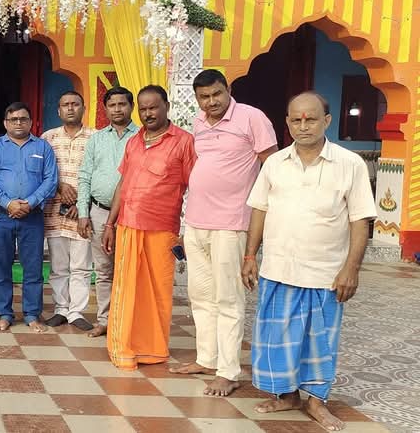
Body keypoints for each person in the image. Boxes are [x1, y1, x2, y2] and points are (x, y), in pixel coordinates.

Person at [243, 92, 375, 431]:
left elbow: (360, 220)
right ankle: (286, 396)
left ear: (326, 121)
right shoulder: (275, 163)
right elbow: (259, 210)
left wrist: (351, 269)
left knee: (320, 342)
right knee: (277, 337)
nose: (303, 126)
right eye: (296, 120)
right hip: (278, 269)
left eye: (311, 119)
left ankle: (317, 402)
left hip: (325, 273)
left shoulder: (350, 164)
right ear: (287, 123)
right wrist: (250, 255)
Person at [169, 69, 278, 396]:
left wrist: (267, 221)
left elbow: (272, 168)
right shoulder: (199, 123)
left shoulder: (252, 118)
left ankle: (229, 371)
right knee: (200, 295)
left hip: (231, 223)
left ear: (228, 89)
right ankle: (207, 358)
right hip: (196, 223)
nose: (211, 102)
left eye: (217, 94)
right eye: (204, 97)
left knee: (228, 298)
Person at [102, 85, 196, 371]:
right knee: (126, 289)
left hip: (163, 228)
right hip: (128, 225)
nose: (148, 113)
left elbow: (195, 188)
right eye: (143, 109)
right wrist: (110, 223)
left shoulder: (184, 142)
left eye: (153, 107)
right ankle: (122, 348)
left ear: (167, 106)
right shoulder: (134, 142)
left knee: (157, 292)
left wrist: (187, 230)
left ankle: (153, 349)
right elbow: (123, 184)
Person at [0, 103, 57, 332]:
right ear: (5, 123)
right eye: (13, 119)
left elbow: (50, 180)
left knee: (33, 268)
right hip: (1, 216)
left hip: (32, 217)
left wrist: (30, 203)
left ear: (31, 122)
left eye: (23, 119)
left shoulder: (43, 147)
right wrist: (8, 203)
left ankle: (32, 314)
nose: (18, 123)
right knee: (2, 267)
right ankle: (4, 314)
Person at [72, 87, 138, 338]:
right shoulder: (97, 139)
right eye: (112, 105)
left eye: (122, 104)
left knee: (130, 269)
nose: (117, 109)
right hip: (99, 212)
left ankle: (128, 323)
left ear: (131, 107)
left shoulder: (142, 137)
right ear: (105, 109)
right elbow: (84, 176)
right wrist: (83, 213)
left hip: (133, 214)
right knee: (103, 271)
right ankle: (105, 321)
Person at [40, 91, 95, 331]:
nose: (70, 108)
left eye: (75, 104)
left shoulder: (95, 138)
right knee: (58, 266)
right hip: (54, 212)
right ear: (58, 110)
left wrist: (80, 204)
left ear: (84, 108)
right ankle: (61, 309)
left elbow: (99, 174)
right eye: (65, 105)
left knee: (81, 266)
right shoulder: (48, 138)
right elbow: (42, 172)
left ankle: (76, 312)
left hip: (82, 215)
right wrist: (60, 186)